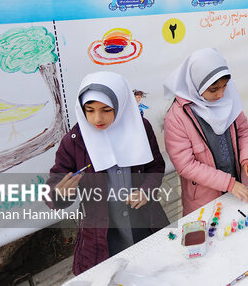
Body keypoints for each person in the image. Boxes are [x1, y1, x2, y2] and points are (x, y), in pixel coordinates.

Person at [46, 71, 170, 275]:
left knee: (155, 272)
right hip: (102, 237)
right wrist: (60, 193)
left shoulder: (141, 128)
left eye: (106, 109)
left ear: (120, 105)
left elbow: (155, 166)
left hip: (145, 223)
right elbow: (53, 191)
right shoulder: (74, 142)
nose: (97, 118)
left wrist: (146, 190)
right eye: (90, 110)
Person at [163, 48, 248, 216]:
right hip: (205, 199)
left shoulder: (229, 99)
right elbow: (186, 165)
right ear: (196, 84)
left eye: (225, 87)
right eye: (213, 90)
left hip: (238, 188)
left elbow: (243, 131)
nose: (221, 94)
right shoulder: (176, 117)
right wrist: (228, 183)